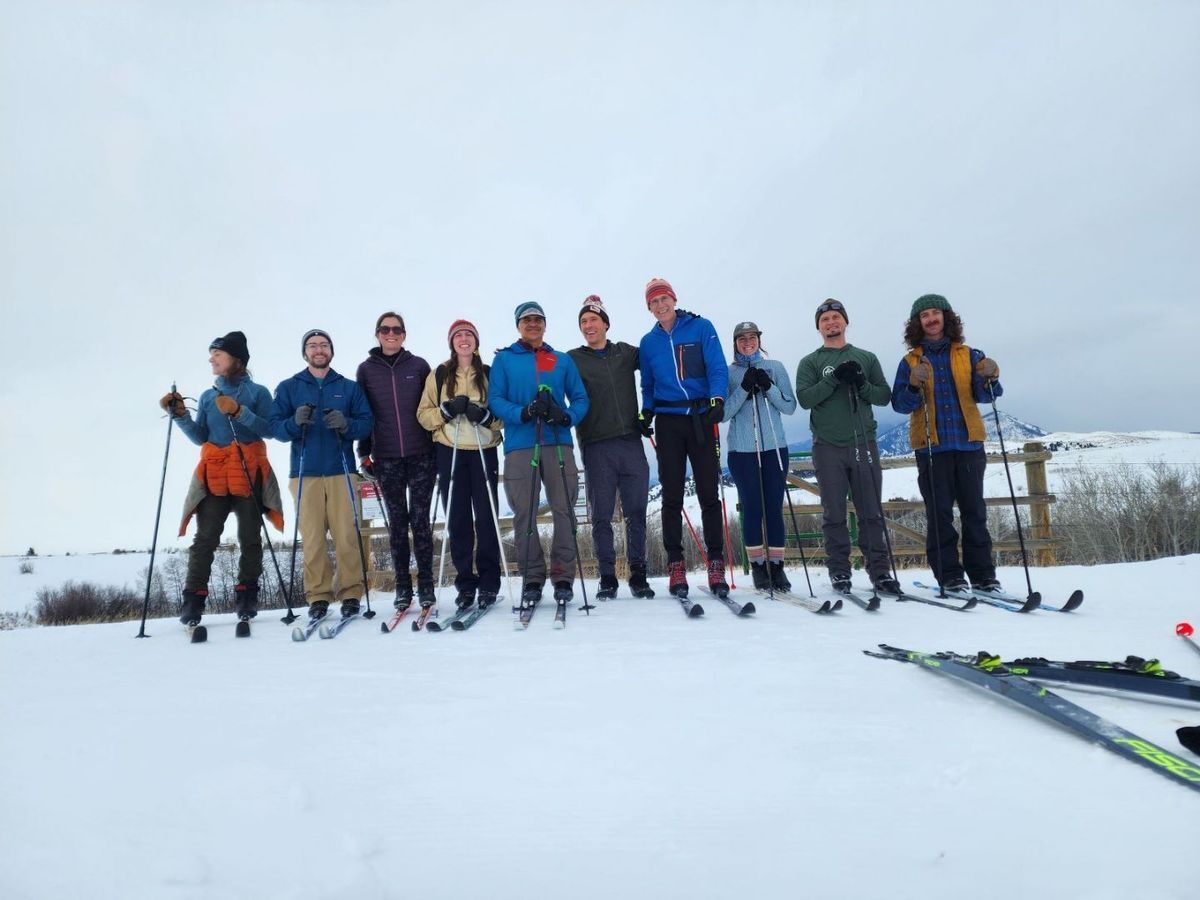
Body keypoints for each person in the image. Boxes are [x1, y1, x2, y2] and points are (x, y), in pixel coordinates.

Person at [162, 331, 284, 626]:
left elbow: (269, 429)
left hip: (247, 472)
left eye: (218, 353)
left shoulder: (258, 393)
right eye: (211, 354)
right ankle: (192, 602)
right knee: (205, 538)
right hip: (215, 474)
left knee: (250, 537)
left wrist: (240, 412)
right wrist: (180, 416)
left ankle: (246, 600)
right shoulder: (206, 397)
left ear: (236, 359)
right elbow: (200, 437)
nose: (211, 359)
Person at [891, 293, 1003, 593]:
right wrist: (914, 383)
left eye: (935, 313)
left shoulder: (970, 355)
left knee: (974, 512)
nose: (930, 319)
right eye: (924, 315)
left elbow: (987, 395)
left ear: (946, 317)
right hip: (931, 447)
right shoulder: (910, 361)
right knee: (939, 514)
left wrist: (991, 375)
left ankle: (983, 575)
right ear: (917, 324)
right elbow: (900, 404)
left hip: (968, 444)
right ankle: (950, 576)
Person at [488, 302, 590, 608]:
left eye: (538, 319)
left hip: (558, 442)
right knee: (525, 513)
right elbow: (496, 400)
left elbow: (581, 399)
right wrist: (523, 411)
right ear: (518, 325)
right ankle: (532, 578)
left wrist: (566, 416)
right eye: (526, 319)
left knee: (564, 510)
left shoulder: (561, 360)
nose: (533, 324)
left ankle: (562, 577)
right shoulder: (504, 360)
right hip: (520, 445)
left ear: (545, 324)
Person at [270, 329, 374, 621]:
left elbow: (366, 423)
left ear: (331, 350)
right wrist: (294, 422)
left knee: (346, 535)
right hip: (305, 473)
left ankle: (351, 592)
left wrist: (346, 424)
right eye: (313, 345)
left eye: (324, 345)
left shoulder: (348, 387)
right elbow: (275, 427)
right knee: (313, 538)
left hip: (342, 469)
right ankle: (318, 595)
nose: (319, 349)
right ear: (305, 352)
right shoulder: (289, 387)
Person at [795, 300, 897, 594]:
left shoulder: (866, 357)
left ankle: (880, 572)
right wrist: (833, 380)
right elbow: (805, 399)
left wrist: (862, 382)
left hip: (863, 441)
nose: (831, 323)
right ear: (819, 327)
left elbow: (883, 396)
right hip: (827, 445)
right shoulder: (810, 362)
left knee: (871, 512)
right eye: (825, 319)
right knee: (834, 513)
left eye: (836, 317)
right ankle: (839, 571)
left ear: (845, 322)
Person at [638, 277, 730, 599]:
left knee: (707, 493)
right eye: (654, 302)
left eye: (664, 299)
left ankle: (716, 562)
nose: (660, 305)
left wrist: (717, 398)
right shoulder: (648, 343)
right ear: (649, 307)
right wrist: (645, 411)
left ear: (673, 300)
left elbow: (717, 367)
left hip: (701, 417)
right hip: (668, 422)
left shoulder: (701, 327)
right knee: (672, 496)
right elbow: (647, 384)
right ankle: (676, 564)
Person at [567, 296, 654, 600]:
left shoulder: (625, 353)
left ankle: (638, 574)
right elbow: (546, 366)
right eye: (583, 322)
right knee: (601, 515)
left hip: (631, 441)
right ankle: (607, 576)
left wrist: (649, 410)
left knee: (636, 512)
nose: (588, 326)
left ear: (605, 323)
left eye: (593, 320)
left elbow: (658, 358)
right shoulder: (573, 358)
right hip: (596, 445)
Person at [416, 319, 504, 611]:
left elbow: (504, 414)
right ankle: (466, 583)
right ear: (451, 342)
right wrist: (445, 411)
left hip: (483, 449)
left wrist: (486, 416)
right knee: (457, 520)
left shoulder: (490, 373)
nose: (464, 340)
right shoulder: (440, 374)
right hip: (449, 449)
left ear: (476, 341)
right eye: (458, 336)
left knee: (487, 518)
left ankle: (490, 582)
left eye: (468, 335)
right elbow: (423, 414)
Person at [355, 312, 438, 610]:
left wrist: (437, 448)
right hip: (386, 457)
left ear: (404, 334)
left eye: (397, 329)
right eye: (385, 329)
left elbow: (431, 407)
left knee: (421, 521)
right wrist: (363, 453)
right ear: (377, 334)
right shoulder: (366, 370)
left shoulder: (419, 366)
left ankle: (426, 583)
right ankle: (403, 586)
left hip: (421, 456)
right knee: (397, 523)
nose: (391, 334)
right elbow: (364, 414)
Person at [724, 321, 797, 591]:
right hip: (742, 450)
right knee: (752, 508)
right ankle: (757, 567)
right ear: (735, 343)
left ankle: (777, 567)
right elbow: (722, 413)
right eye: (741, 339)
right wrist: (743, 389)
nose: (747, 343)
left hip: (774, 447)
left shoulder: (775, 367)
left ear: (759, 340)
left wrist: (769, 387)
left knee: (773, 508)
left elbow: (789, 406)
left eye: (752, 337)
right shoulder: (729, 373)